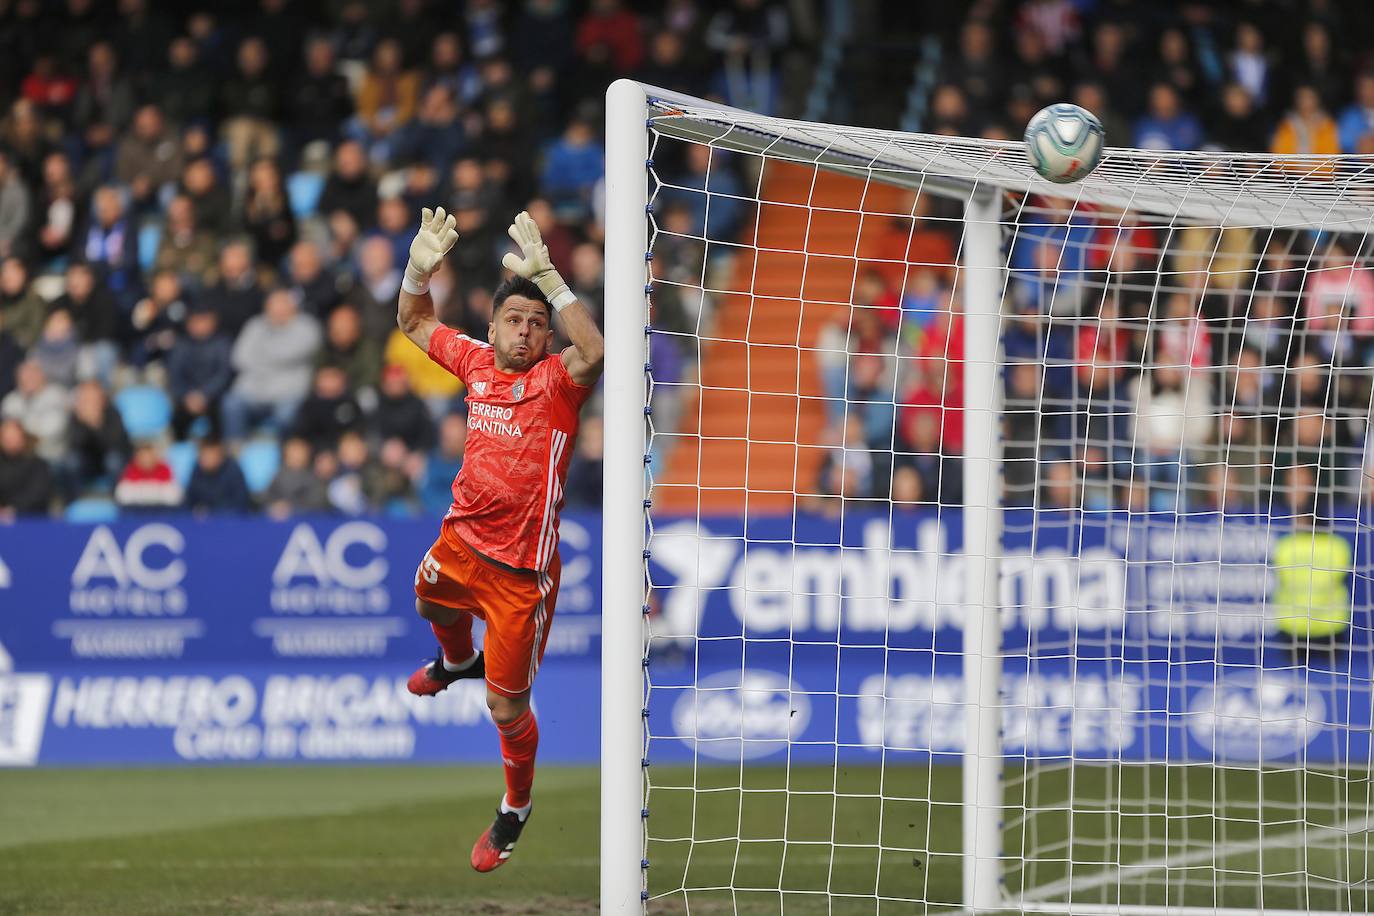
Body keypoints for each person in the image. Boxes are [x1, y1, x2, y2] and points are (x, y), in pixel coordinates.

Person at [397, 206, 602, 872]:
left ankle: (515, 808)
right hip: (461, 544)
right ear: (492, 329)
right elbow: (414, 321)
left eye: (537, 323)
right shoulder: (477, 363)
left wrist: (551, 280)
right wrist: (416, 270)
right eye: (514, 320)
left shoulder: (559, 382)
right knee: (427, 602)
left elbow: (595, 350)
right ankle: (456, 657)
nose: (525, 331)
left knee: (505, 706)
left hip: (521, 576)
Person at [1272, 472, 1352, 665]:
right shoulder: (1338, 545)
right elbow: (1341, 577)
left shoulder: (1285, 545)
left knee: (1296, 683)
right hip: (1330, 623)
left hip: (1294, 624)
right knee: (1332, 684)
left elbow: (1281, 576)